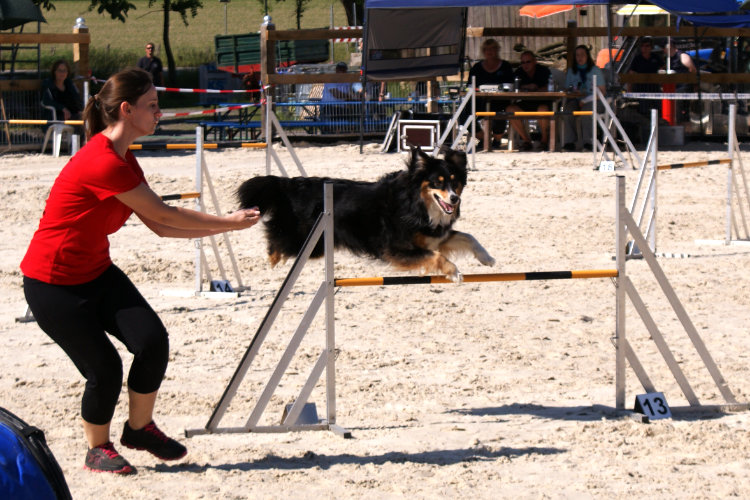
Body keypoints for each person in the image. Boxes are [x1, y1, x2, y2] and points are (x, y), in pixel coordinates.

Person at [20, 67, 261, 475]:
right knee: (105, 368)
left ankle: (140, 429)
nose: (160, 113)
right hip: (52, 284)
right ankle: (97, 449)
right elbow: (165, 212)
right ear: (127, 110)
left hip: (95, 272)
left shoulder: (125, 159)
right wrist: (228, 222)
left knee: (151, 340)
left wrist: (225, 227)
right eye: (153, 106)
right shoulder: (103, 162)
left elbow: (161, 227)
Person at [468, 38, 515, 149]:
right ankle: (484, 138)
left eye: (492, 49)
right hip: (479, 101)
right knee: (464, 113)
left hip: (500, 101)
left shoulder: (505, 66)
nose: (489, 51)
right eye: (487, 49)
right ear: (483, 51)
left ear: (497, 50)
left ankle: (497, 139)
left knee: (501, 113)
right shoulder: (477, 68)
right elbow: (469, 86)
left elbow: (510, 86)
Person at [506, 50, 552, 151]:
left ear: (534, 61)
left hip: (542, 102)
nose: (525, 65)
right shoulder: (518, 73)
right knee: (510, 109)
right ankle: (526, 141)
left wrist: (536, 88)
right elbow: (513, 88)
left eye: (528, 62)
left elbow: (550, 87)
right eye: (523, 62)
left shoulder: (544, 71)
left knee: (543, 109)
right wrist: (526, 87)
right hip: (525, 103)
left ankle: (544, 141)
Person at [562, 45, 606, 151]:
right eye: (577, 55)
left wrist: (585, 100)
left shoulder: (595, 70)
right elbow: (567, 89)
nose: (580, 57)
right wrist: (572, 91)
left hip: (595, 100)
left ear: (587, 56)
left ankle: (589, 142)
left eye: (582, 55)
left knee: (586, 112)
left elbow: (602, 92)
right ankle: (569, 142)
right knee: (568, 110)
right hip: (577, 99)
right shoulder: (571, 71)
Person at [627, 37, 663, 117]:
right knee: (643, 111)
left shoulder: (656, 58)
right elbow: (631, 74)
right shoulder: (637, 59)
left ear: (651, 47)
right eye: (643, 46)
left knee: (657, 110)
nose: (645, 48)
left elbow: (662, 70)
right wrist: (629, 90)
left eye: (647, 46)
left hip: (654, 89)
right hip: (641, 89)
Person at [321, 62, 361, 132]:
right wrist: (350, 96)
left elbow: (355, 90)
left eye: (343, 70)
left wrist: (353, 98)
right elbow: (336, 94)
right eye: (340, 70)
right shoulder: (330, 79)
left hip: (341, 107)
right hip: (329, 107)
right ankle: (336, 131)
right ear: (336, 70)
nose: (342, 72)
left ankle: (352, 131)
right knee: (336, 115)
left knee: (355, 112)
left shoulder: (347, 81)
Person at [665, 41, 697, 124]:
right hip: (673, 89)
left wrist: (695, 85)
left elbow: (693, 70)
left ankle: (685, 131)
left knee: (683, 112)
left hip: (683, 89)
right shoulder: (668, 59)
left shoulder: (682, 56)